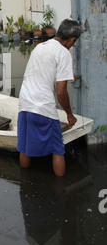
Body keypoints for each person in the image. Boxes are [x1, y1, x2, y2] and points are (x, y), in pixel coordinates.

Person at [17, 19, 83, 177]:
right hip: (43, 107)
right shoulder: (63, 53)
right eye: (73, 43)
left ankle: (24, 184)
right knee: (57, 149)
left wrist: (69, 76)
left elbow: (44, 72)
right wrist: (69, 114)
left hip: (25, 103)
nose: (72, 46)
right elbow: (61, 92)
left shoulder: (40, 47)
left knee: (24, 147)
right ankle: (61, 191)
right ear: (72, 40)